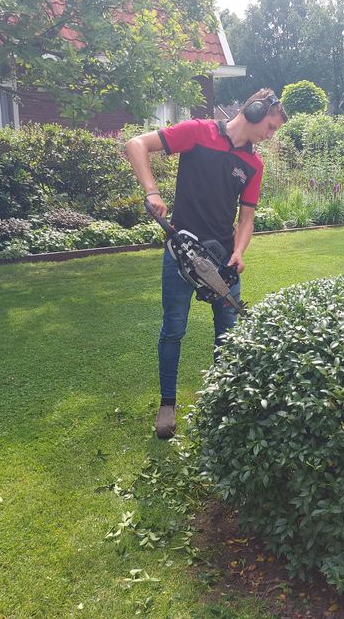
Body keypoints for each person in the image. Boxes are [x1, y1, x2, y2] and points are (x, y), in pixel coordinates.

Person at [125, 89, 287, 439]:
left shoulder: (253, 164)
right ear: (255, 110)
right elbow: (136, 144)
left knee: (228, 336)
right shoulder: (199, 132)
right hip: (180, 255)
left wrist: (239, 252)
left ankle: (220, 405)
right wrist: (152, 192)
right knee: (173, 329)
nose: (270, 135)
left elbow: (246, 219)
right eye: (271, 127)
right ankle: (167, 404)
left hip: (222, 260)